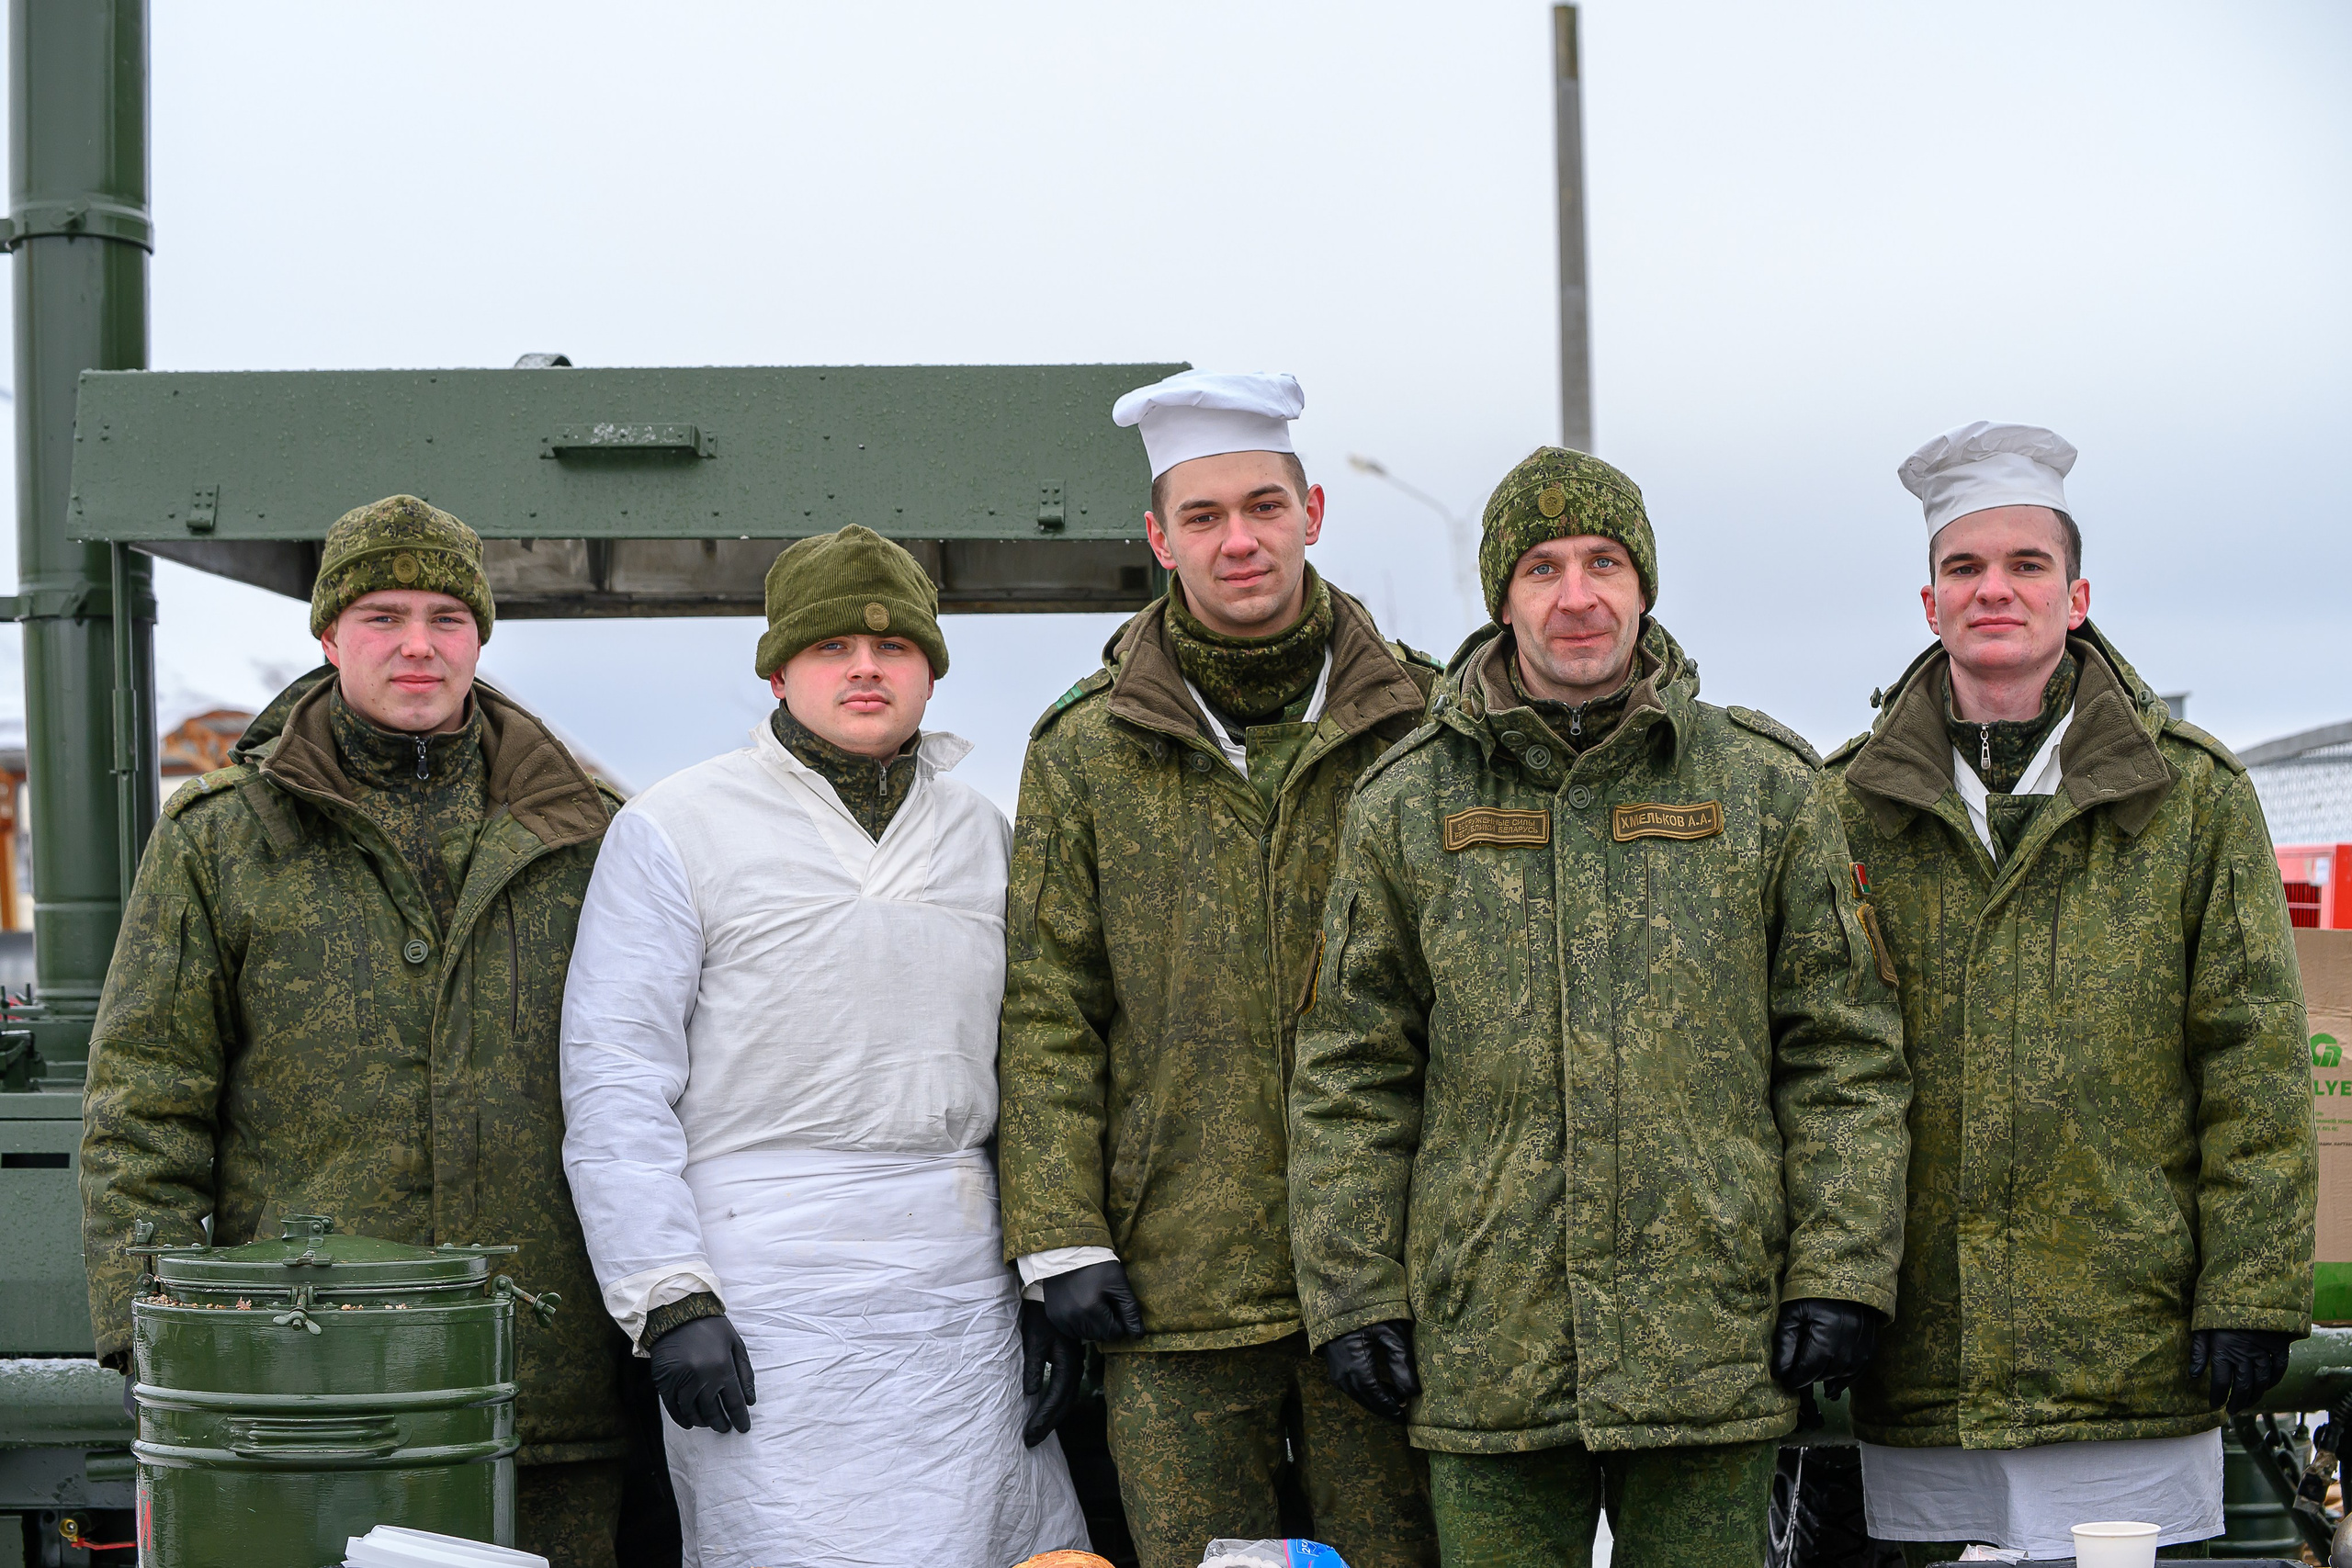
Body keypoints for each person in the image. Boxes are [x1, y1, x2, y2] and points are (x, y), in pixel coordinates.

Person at [1286, 447, 1913, 1568]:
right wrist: (1352, 1291)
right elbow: (1351, 1068)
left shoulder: (1762, 787)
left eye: (1603, 562)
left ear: (1643, 583)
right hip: (1486, 1345)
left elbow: (1842, 1055)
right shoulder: (1407, 801)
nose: (1576, 597)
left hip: (1711, 1340)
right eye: (1541, 568)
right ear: (1501, 595)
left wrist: (1842, 1269)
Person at [80, 495, 632, 1567]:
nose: (417, 646)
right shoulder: (223, 839)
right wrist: (153, 1334)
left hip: (544, 1389)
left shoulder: (588, 833)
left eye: (445, 617)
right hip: (297, 1394)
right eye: (382, 617)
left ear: (480, 637)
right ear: (329, 637)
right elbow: (144, 1098)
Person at [1823, 422, 2317, 1563]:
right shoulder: (1843, 802)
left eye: (2025, 565)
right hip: (1924, 1357)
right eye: (1965, 567)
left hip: (2126, 1350)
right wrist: (1832, 1285)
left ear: (2076, 594)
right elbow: (1816, 1066)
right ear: (1929, 601)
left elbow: (2252, 1061)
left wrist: (2248, 1286)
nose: (1994, 589)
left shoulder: (2189, 796)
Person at [560, 525, 1089, 1568]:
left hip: (955, 1286)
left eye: (893, 650)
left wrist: (1043, 1268)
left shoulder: (982, 835)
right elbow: (616, 1078)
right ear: (778, 669)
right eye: (831, 648)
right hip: (761, 1287)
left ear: (930, 673)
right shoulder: (678, 827)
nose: (864, 669)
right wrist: (669, 1298)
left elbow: (1040, 1059)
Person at [997, 370, 1443, 1568]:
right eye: (1203, 517)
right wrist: (1061, 1236)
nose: (1238, 539)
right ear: (1157, 537)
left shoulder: (1426, 723)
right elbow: (1049, 1006)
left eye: (1263, 505)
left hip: (1394, 1273)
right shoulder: (1087, 749)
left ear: (1312, 510)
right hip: (1172, 1282)